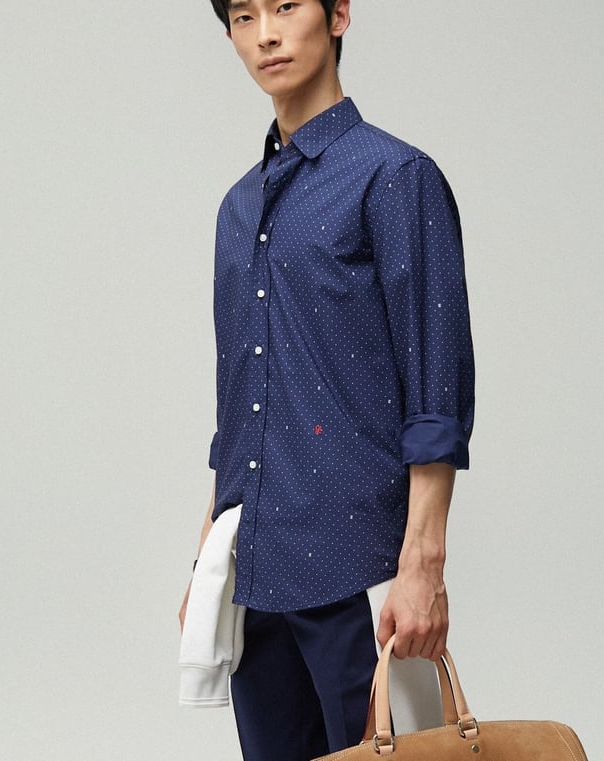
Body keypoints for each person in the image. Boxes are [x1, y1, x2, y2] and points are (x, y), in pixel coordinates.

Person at [179, 1, 475, 758]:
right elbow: (240, 397)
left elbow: (435, 389)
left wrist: (423, 564)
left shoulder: (395, 177)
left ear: (338, 13)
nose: (267, 33)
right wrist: (207, 557)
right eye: (244, 16)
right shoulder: (238, 208)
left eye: (286, 6)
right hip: (256, 564)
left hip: (355, 562)